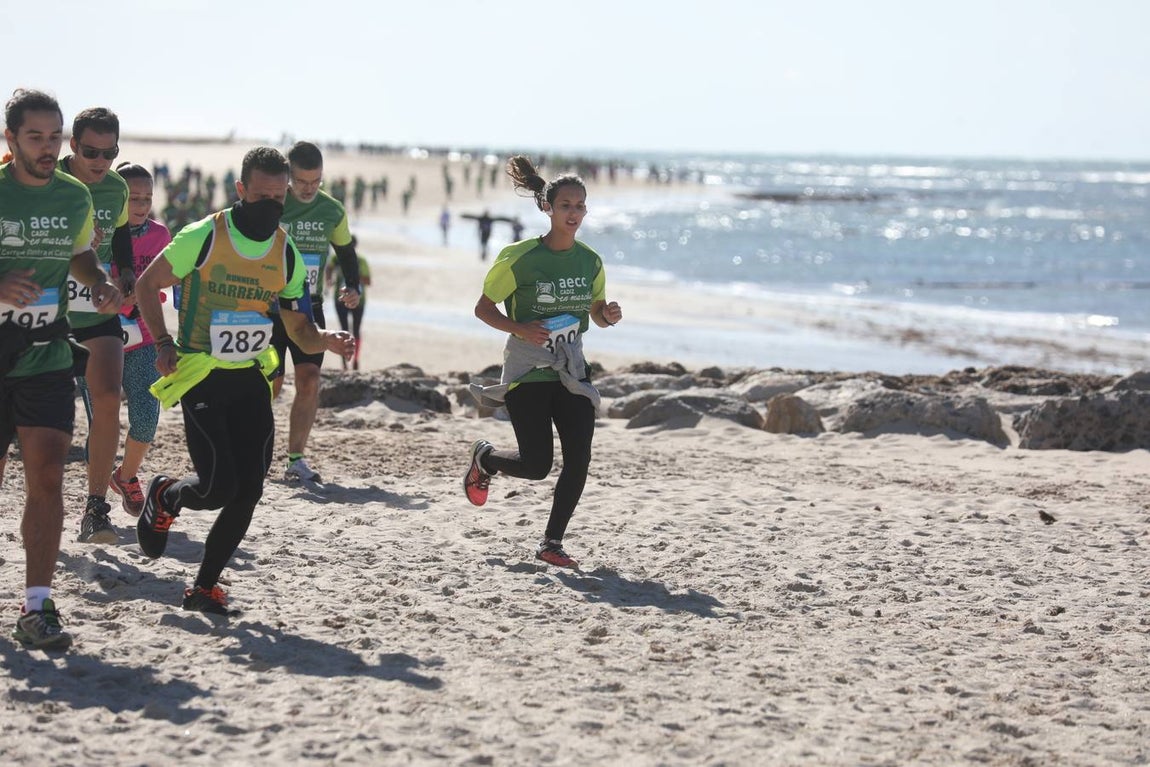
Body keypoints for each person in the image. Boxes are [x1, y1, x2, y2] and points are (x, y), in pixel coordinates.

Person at [133, 146, 355, 616]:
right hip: (201, 375)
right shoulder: (205, 237)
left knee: (249, 489)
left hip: (251, 376)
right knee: (217, 488)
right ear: (241, 191)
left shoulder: (285, 251)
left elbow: (298, 326)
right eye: (261, 196)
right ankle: (166, 493)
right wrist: (162, 343)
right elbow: (147, 285)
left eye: (279, 198)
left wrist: (326, 340)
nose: (270, 206)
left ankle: (203, 587)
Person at [1, 88, 122, 648]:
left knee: (48, 474)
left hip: (47, 351)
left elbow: (80, 252)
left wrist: (96, 279)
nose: (48, 148)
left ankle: (37, 606)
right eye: (36, 137)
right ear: (11, 139)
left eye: (54, 137)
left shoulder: (76, 197)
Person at [463, 155, 622, 569]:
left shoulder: (590, 261)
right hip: (529, 371)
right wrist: (519, 327)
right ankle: (486, 458)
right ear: (548, 208)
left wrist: (607, 315)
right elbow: (483, 308)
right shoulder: (520, 256)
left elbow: (597, 312)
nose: (574, 213)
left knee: (579, 459)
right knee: (536, 466)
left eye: (580, 206)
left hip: (571, 371)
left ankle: (552, 542)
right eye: (566, 206)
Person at [58, 106, 135, 544]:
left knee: (107, 399)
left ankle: (96, 510)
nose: (100, 161)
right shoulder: (52, 182)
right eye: (91, 151)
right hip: (49, 312)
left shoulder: (117, 188)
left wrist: (124, 273)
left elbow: (123, 238)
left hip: (96, 307)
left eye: (109, 152)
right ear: (73, 146)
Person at [272, 141, 361, 483]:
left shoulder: (331, 210)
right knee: (273, 386)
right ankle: (257, 449)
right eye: (302, 181)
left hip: (310, 307)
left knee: (309, 381)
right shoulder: (275, 204)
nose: (309, 189)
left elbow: (346, 252)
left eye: (316, 181)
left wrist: (353, 287)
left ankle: (296, 459)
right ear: (289, 176)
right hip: (271, 309)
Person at [108, 162, 171, 515]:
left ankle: (127, 476)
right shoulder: (99, 232)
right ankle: (96, 500)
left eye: (147, 197)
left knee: (147, 418)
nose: (141, 204)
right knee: (102, 422)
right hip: (103, 337)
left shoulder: (161, 235)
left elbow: (164, 286)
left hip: (145, 337)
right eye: (133, 198)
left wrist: (145, 297)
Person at [326, 235, 371, 370]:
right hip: (340, 299)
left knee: (356, 330)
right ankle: (344, 361)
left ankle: (356, 359)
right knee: (344, 330)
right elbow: (329, 267)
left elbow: (368, 281)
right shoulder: (336, 258)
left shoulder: (361, 260)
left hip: (359, 300)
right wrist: (329, 279)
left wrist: (354, 277)